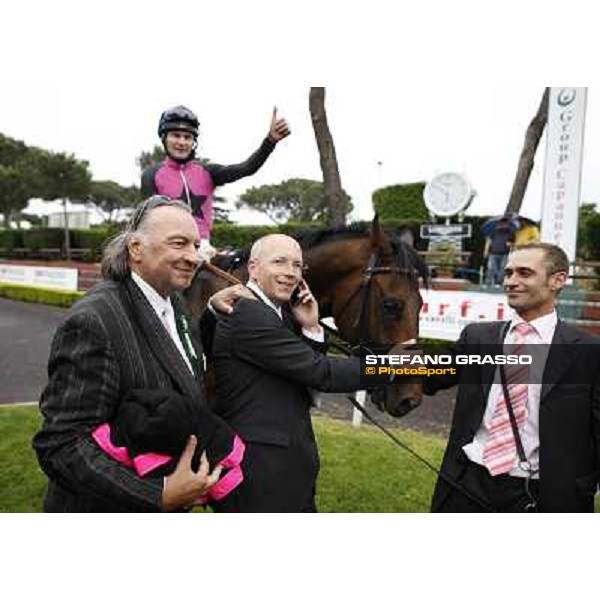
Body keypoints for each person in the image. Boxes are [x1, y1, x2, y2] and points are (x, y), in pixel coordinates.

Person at [32, 196, 251, 512]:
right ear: (135, 248)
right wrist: (157, 495)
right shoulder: (94, 321)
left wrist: (212, 314)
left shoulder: (173, 302)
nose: (194, 257)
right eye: (179, 244)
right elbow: (61, 445)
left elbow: (177, 368)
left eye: (195, 245)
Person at [211, 234, 396, 512]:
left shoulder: (280, 312)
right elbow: (321, 372)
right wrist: (393, 365)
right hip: (260, 471)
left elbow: (299, 373)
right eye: (279, 262)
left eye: (297, 265)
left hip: (287, 464)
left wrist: (310, 327)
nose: (290, 273)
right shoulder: (249, 314)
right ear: (253, 267)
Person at [424, 242, 600, 512]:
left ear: (558, 280)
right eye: (508, 273)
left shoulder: (588, 352)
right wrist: (371, 364)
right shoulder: (479, 338)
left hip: (547, 496)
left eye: (524, 273)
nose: (511, 282)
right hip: (467, 484)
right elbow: (429, 372)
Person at [141, 105, 290, 257]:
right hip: (168, 249)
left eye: (187, 137)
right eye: (176, 135)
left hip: (204, 248)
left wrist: (270, 141)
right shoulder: (151, 175)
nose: (181, 142)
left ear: (194, 142)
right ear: (164, 138)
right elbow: (149, 221)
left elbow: (247, 168)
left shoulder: (208, 172)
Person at [483, 217, 514, 286]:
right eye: (502, 223)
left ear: (507, 224)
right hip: (493, 253)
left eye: (505, 223)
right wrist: (486, 250)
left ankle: (498, 283)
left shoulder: (510, 232)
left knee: (502, 269)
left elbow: (512, 243)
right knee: (491, 268)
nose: (503, 224)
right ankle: (487, 283)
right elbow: (489, 241)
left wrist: (509, 244)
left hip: (504, 253)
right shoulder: (494, 231)